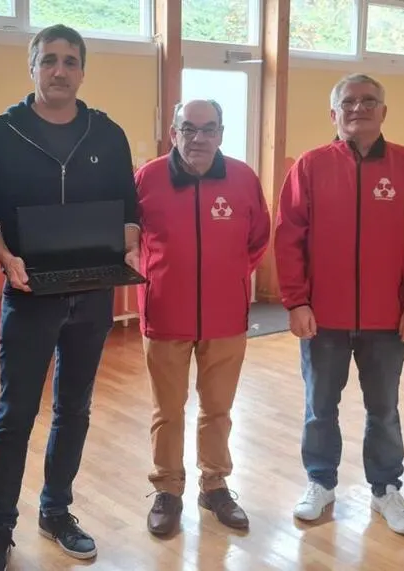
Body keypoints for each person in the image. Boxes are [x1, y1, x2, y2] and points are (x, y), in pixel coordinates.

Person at [0, 24, 140, 571]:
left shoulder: (107, 134)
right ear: (33, 67)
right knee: (14, 415)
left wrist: (129, 246)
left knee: (74, 409)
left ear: (82, 71)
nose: (59, 70)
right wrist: (6, 258)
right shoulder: (1, 133)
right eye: (49, 60)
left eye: (69, 61)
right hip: (29, 292)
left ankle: (56, 511)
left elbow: (130, 209)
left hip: (93, 294)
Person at [274, 73, 404, 536]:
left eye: (369, 101)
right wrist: (296, 301)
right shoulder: (310, 166)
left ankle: (386, 488)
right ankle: (320, 482)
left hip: (387, 319)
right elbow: (288, 239)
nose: (359, 108)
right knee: (319, 407)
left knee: (384, 410)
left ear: (383, 112)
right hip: (322, 318)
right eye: (349, 102)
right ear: (334, 113)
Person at [134, 99, 270, 536]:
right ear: (174, 133)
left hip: (226, 317)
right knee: (167, 410)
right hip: (164, 314)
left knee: (218, 409)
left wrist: (228, 277)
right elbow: (130, 239)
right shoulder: (148, 178)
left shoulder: (243, 178)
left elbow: (258, 239)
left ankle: (214, 486)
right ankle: (167, 489)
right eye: (189, 129)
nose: (199, 138)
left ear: (221, 134)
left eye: (209, 129)